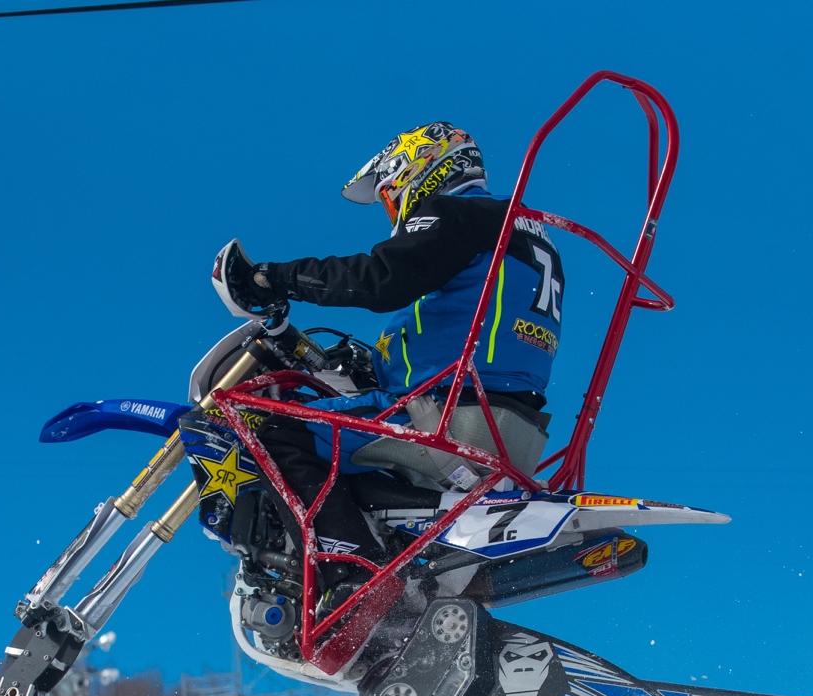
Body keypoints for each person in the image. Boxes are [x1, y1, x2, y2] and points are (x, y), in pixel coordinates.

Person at [221, 122, 564, 605]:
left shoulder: (458, 212)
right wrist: (370, 363)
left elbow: (382, 279)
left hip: (447, 417)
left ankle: (349, 579)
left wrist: (271, 278)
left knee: (266, 430)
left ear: (420, 170)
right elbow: (470, 320)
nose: (394, 212)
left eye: (389, 195)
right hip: (515, 427)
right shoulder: (525, 233)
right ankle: (393, 577)